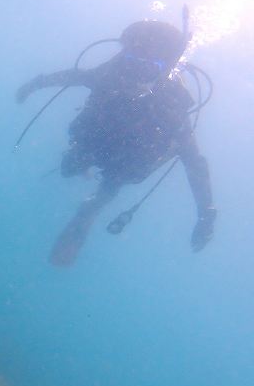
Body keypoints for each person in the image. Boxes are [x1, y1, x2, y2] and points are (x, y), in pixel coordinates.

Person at [16, 19, 216, 266]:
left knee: (118, 179)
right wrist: (35, 84)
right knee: (70, 168)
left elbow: (195, 162)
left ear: (165, 71)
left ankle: (93, 206)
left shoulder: (171, 104)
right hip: (97, 140)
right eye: (132, 64)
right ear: (124, 58)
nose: (136, 77)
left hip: (130, 160)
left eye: (149, 69)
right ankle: (90, 180)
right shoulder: (109, 74)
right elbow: (75, 76)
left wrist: (206, 213)